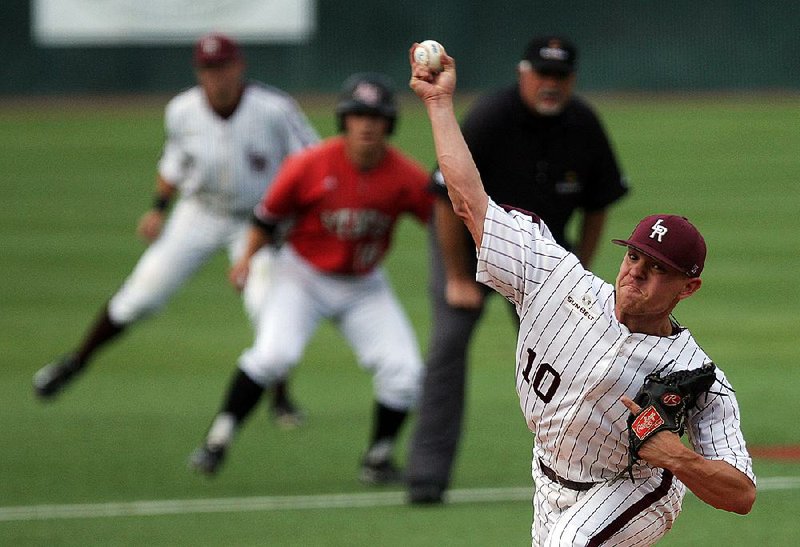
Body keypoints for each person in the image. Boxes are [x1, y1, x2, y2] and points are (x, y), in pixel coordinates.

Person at [409, 45, 755, 544]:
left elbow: (741, 495)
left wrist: (674, 455)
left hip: (634, 490)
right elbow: (469, 203)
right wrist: (439, 106)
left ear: (688, 288)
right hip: (549, 476)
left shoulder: (696, 376)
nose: (637, 272)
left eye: (659, 269)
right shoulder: (555, 278)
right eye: (634, 257)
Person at [32, 32, 319, 426]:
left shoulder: (274, 109)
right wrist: (158, 209)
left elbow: (312, 162)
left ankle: (281, 399)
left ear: (240, 66)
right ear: (199, 72)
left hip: (256, 221)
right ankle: (75, 362)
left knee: (268, 306)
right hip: (198, 212)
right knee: (139, 296)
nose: (216, 76)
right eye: (207, 69)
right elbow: (175, 164)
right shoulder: (182, 111)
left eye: (223, 67)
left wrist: (293, 218)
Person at [407, 36, 629, 503]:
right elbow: (446, 201)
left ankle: (587, 469)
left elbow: (599, 202)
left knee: (579, 358)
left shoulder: (584, 124)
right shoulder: (492, 117)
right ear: (522, 73)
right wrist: (455, 278)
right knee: (448, 348)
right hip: (467, 249)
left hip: (544, 260)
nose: (550, 85)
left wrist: (580, 269)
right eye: (542, 75)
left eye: (560, 77)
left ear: (572, 80)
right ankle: (426, 476)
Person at [188, 72, 434, 484]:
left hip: (364, 284)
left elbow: (439, 224)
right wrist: (246, 259)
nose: (367, 125)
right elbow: (266, 218)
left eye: (376, 116)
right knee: (273, 356)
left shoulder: (405, 176)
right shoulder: (308, 164)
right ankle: (217, 440)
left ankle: (377, 458)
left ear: (389, 124)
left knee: (404, 371)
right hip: (301, 276)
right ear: (344, 120)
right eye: (358, 115)